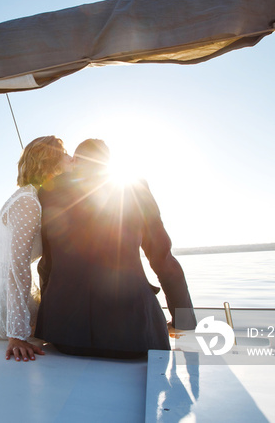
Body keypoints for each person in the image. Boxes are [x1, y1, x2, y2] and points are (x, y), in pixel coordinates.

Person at [35, 139, 196, 358]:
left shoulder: (47, 191)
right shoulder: (133, 185)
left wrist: (51, 318)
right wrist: (183, 323)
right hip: (134, 337)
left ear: (76, 160)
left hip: (64, 337)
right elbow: (163, 258)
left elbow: (47, 264)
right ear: (108, 162)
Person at [0, 135, 71, 362]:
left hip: (5, 294)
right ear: (51, 164)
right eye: (65, 155)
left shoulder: (33, 197)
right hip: (0, 303)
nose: (71, 159)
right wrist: (17, 335)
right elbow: (17, 266)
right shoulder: (28, 202)